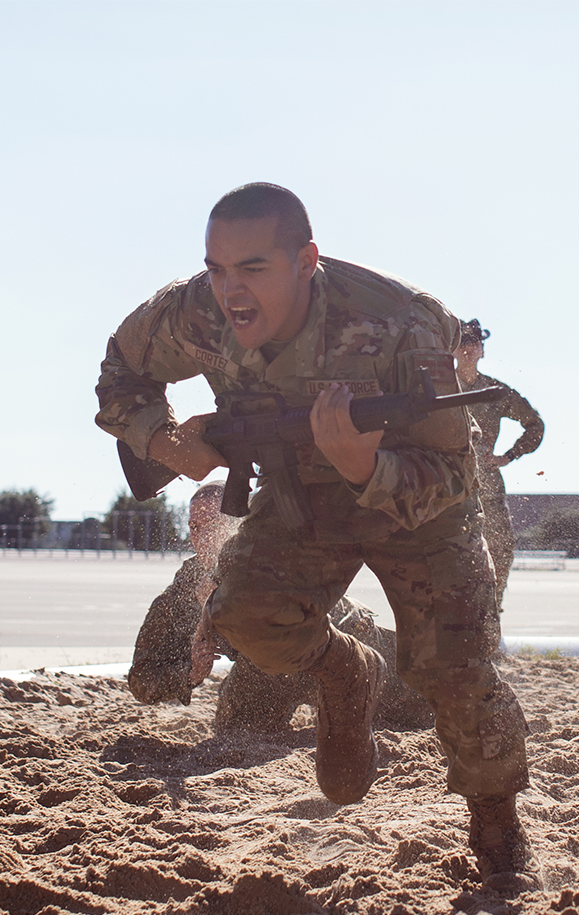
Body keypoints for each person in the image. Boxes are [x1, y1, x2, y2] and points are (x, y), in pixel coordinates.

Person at [95, 183, 541, 894]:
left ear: (306, 259)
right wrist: (165, 440)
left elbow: (451, 476)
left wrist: (368, 462)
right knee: (245, 618)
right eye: (216, 268)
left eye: (254, 268)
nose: (230, 291)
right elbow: (121, 369)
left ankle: (496, 825)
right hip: (300, 493)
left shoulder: (406, 323)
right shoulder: (196, 311)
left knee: (453, 667)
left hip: (419, 504)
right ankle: (344, 671)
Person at [128, 481, 433, 731]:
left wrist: (224, 596)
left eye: (212, 524)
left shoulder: (270, 555)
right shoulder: (186, 586)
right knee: (234, 733)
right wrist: (190, 673)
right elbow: (141, 678)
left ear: (236, 524)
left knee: (426, 706)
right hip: (266, 669)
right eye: (194, 526)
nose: (201, 536)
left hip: (342, 641)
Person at [454, 319, 544, 607]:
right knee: (448, 554)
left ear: (482, 350)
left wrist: (509, 456)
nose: (468, 349)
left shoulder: (495, 391)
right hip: (447, 485)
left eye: (474, 344)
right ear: (453, 350)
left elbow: (535, 424)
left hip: (487, 485)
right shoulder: (440, 387)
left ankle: (490, 619)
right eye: (463, 344)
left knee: (500, 551)